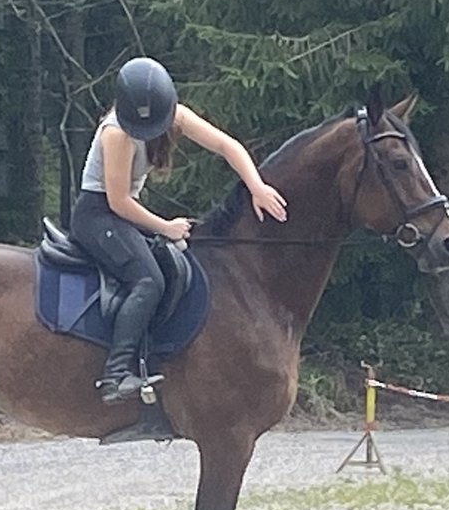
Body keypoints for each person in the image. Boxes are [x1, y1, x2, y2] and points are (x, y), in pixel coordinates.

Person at [71, 56, 288, 404]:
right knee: (148, 280)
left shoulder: (173, 114)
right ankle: (115, 375)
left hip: (123, 215)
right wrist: (166, 227)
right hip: (98, 216)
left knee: (176, 266)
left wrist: (256, 186)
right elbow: (118, 202)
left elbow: (225, 145)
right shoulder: (116, 132)